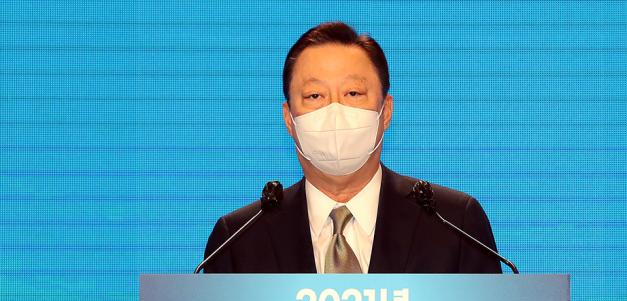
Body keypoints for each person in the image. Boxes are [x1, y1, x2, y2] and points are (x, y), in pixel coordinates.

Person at [203, 21, 502, 274]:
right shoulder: (237, 240)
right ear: (289, 120)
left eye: (353, 93)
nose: (335, 110)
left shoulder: (455, 225)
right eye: (315, 96)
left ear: (386, 112)